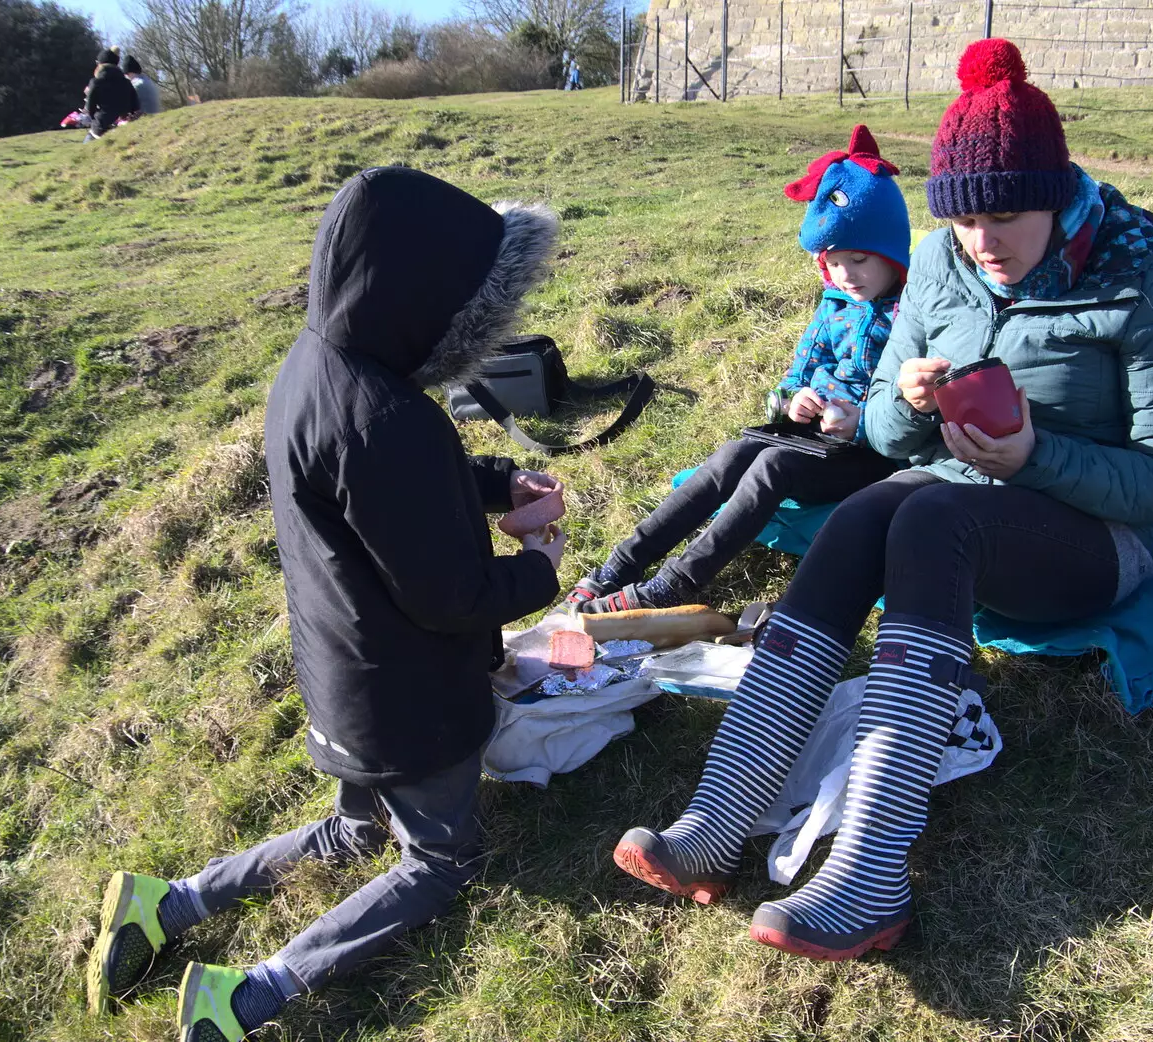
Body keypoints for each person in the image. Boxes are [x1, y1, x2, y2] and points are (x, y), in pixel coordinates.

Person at [613, 38, 1153, 962]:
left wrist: (1033, 455)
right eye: (965, 220)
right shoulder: (940, 265)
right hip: (955, 503)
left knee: (928, 512)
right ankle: (716, 822)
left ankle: (871, 872)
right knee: (866, 512)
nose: (984, 244)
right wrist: (902, 402)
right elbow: (890, 446)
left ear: (1057, 195)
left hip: (1095, 538)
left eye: (1007, 215)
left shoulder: (1141, 281)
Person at [86, 168, 565, 1040]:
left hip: (341, 676)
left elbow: (379, 492)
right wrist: (538, 567)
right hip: (412, 701)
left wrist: (496, 482)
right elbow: (449, 594)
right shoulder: (394, 418)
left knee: (354, 832)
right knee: (441, 860)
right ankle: (248, 995)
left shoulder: (313, 369)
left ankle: (173, 899)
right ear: (426, 302)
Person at [566, 125, 907, 613]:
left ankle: (675, 584)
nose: (846, 275)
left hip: (871, 454)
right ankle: (620, 565)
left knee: (772, 465)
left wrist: (862, 421)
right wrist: (793, 402)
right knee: (734, 452)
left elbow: (913, 404)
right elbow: (794, 377)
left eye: (859, 259)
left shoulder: (911, 314)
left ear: (892, 256)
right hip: (813, 438)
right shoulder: (833, 305)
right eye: (833, 263)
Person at [84, 48, 137, 141]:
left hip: (101, 127)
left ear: (100, 65)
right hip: (123, 127)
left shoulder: (96, 82)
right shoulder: (127, 83)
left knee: (85, 148)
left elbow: (89, 109)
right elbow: (136, 106)